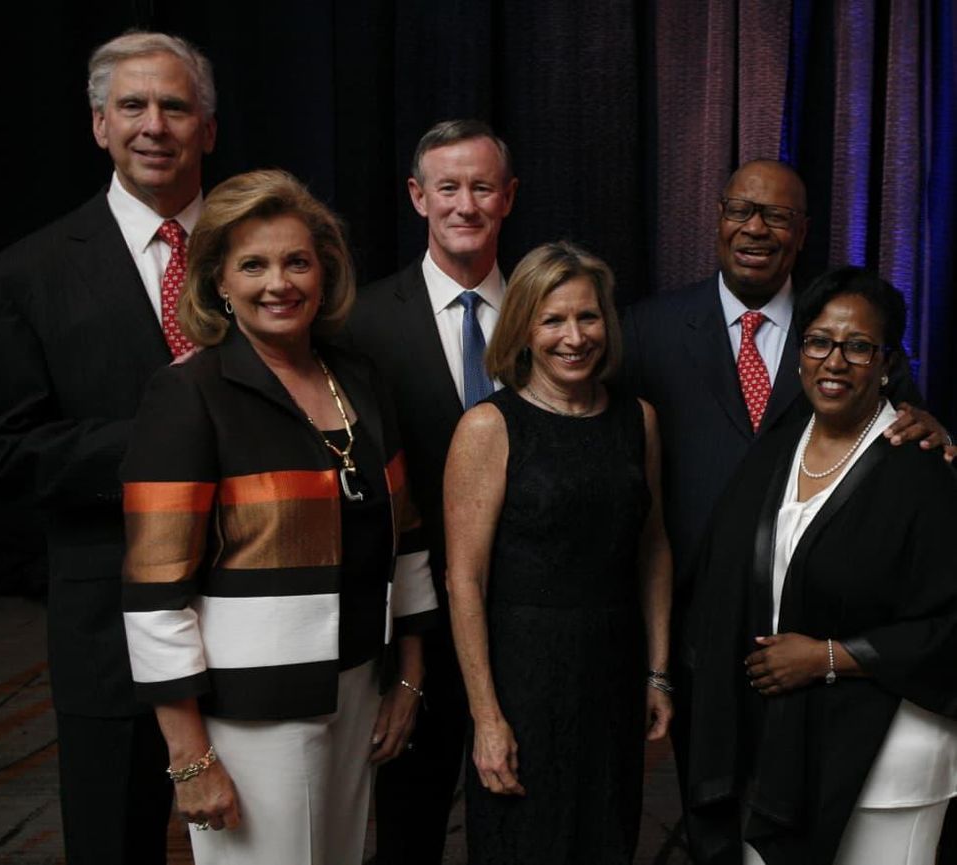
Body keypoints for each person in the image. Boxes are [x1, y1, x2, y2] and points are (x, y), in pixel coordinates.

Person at [120, 169, 438, 862]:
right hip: (252, 708)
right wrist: (189, 756)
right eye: (253, 265)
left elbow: (405, 535)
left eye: (297, 262)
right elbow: (153, 593)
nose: (278, 283)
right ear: (219, 280)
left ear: (324, 274)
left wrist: (407, 676)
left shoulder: (358, 378)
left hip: (359, 686)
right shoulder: (189, 393)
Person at [621, 158, 954, 808]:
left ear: (802, 232)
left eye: (777, 216)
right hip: (696, 624)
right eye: (741, 210)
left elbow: (901, 426)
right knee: (710, 809)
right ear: (717, 218)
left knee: (805, 811)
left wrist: (934, 427)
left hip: (817, 630)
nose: (756, 228)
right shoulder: (647, 329)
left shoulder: (844, 325)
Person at [0, 31, 217, 864]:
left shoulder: (270, 256)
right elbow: (0, 454)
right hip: (107, 624)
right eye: (132, 106)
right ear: (98, 124)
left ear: (208, 129)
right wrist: (165, 445)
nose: (154, 125)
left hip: (262, 611)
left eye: (175, 106)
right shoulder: (23, 275)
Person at [687, 266, 957, 865]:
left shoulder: (922, 469)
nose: (834, 361)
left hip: (891, 764)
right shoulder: (779, 448)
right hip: (783, 745)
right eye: (818, 341)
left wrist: (828, 656)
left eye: (858, 346)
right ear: (800, 352)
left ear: (886, 363)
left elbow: (948, 625)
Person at [445, 241, 674, 864]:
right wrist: (486, 717)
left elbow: (653, 550)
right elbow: (464, 581)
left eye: (588, 316)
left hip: (613, 676)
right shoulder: (488, 427)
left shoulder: (639, 421)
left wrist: (657, 673)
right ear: (523, 328)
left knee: (608, 840)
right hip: (523, 681)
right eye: (553, 320)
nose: (574, 337)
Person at [345, 118, 518, 864]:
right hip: (410, 621)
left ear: (508, 197)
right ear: (418, 197)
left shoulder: (551, 314)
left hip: (527, 614)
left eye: (482, 187)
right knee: (409, 827)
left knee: (522, 821)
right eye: (448, 188)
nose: (465, 205)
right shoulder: (358, 323)